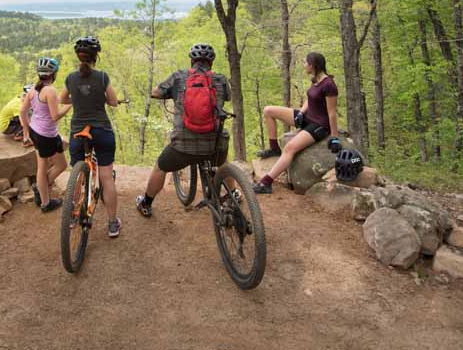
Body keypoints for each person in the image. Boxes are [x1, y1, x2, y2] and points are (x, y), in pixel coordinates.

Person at [135, 43, 231, 218]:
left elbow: (155, 92)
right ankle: (234, 194)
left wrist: (172, 94)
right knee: (224, 159)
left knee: (161, 165)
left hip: (183, 147)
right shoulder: (220, 79)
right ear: (211, 63)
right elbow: (228, 96)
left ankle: (146, 203)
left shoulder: (179, 77)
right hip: (214, 144)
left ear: (192, 61)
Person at [59, 35, 123, 238]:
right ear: (96, 57)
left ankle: (72, 214)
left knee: (77, 175)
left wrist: (78, 98)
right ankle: (112, 223)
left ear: (79, 57)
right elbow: (112, 102)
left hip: (78, 131)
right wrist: (100, 98)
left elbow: (63, 99)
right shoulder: (102, 77)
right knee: (106, 177)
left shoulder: (70, 78)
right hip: (101, 130)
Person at [253, 51, 340, 194]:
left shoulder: (329, 84)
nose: (304, 66)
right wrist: (301, 112)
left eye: (305, 63)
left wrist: (335, 137)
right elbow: (309, 99)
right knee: (268, 110)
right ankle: (274, 148)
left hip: (319, 125)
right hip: (307, 117)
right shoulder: (315, 80)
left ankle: (266, 183)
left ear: (313, 65)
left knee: (289, 148)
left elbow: (332, 113)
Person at [19, 57, 71, 212]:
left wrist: (27, 131)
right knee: (61, 165)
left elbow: (22, 111)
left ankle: (42, 194)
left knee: (42, 166)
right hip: (47, 135)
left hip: (36, 132)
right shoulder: (50, 91)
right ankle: (45, 201)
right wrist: (70, 105)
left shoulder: (33, 89)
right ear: (53, 74)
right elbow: (55, 116)